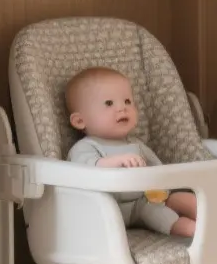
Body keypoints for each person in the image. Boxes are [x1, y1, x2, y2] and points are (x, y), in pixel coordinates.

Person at [64, 66, 197, 237]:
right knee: (158, 214)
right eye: (109, 103)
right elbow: (85, 171)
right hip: (108, 209)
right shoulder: (85, 147)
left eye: (127, 101)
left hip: (145, 200)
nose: (122, 108)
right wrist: (118, 161)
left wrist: (165, 189)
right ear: (80, 121)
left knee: (182, 198)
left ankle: (210, 221)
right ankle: (194, 231)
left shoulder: (137, 145)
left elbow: (159, 169)